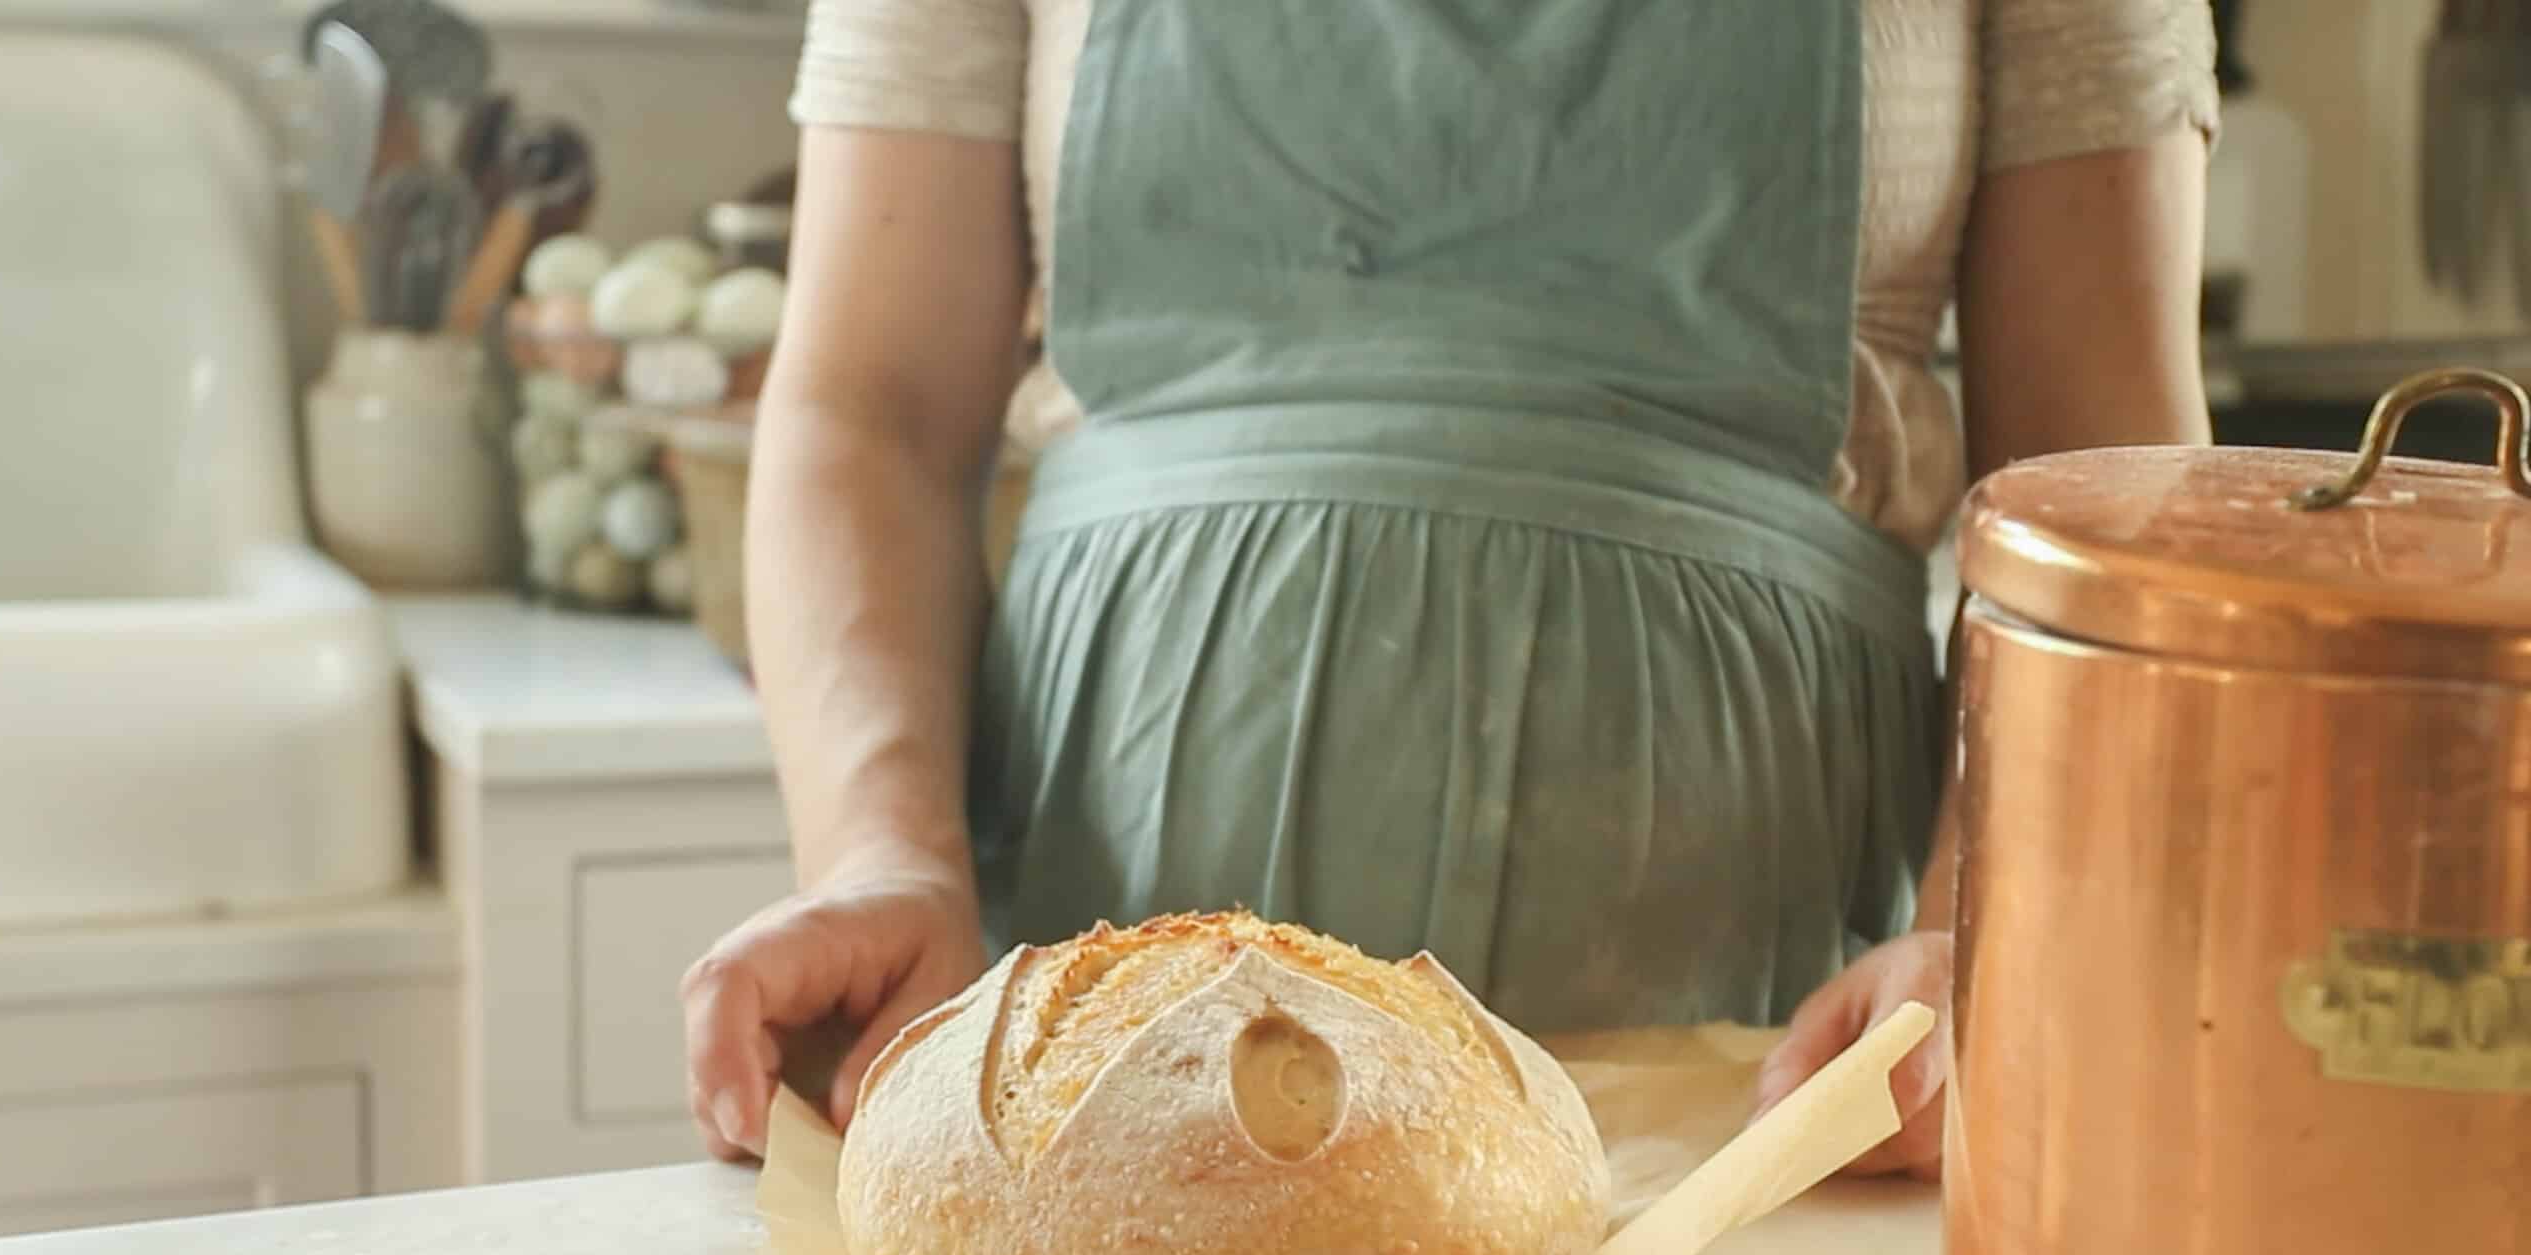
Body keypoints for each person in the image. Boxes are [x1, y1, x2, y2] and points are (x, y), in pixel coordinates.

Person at [681, 0, 2219, 1179]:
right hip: (1100, 1035)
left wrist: (1987, 930)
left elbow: (2109, 479)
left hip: (1759, 1057)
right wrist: (889, 850)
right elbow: (867, 408)